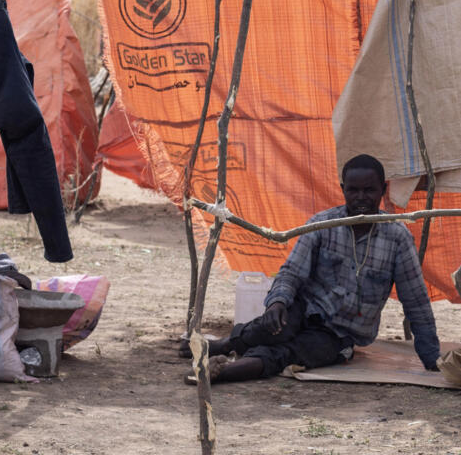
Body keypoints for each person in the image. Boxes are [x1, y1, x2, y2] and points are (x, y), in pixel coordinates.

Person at [182, 154, 440, 383]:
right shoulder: (322, 224)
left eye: (369, 190)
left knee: (291, 353)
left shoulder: (398, 238)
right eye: (353, 190)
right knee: (270, 328)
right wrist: (277, 303)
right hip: (304, 309)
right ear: (343, 189)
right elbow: (291, 273)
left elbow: (416, 302)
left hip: (340, 334)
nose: (361, 197)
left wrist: (432, 358)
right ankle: (225, 345)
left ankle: (222, 372)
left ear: (383, 190)